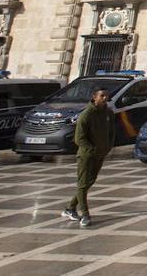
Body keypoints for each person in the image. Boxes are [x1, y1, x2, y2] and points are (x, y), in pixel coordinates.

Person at [61, 88, 115, 227]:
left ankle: (70, 208)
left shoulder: (108, 113)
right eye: (102, 95)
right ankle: (85, 214)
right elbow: (79, 138)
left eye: (106, 95)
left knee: (88, 182)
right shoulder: (86, 115)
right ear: (94, 97)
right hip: (86, 155)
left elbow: (111, 131)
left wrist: (108, 146)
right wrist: (92, 149)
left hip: (100, 154)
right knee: (83, 183)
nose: (105, 98)